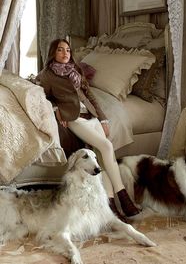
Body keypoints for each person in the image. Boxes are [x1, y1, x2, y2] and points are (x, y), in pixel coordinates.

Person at [37, 38, 140, 221]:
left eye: (68, 50)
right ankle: (123, 197)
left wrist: (103, 118)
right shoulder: (46, 75)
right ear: (53, 52)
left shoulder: (75, 70)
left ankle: (109, 207)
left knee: (101, 159)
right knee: (107, 147)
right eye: (60, 50)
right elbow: (43, 96)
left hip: (91, 116)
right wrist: (57, 111)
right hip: (75, 119)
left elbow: (89, 94)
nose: (65, 53)